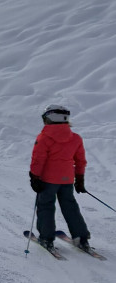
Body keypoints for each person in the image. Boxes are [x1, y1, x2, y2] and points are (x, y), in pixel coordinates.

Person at [30, 104, 91, 252]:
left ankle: (46, 238)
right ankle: (81, 238)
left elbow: (38, 159)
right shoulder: (75, 138)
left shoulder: (44, 138)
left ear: (49, 118)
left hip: (48, 181)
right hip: (67, 180)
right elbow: (80, 161)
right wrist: (80, 179)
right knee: (70, 207)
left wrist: (34, 177)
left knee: (46, 206)